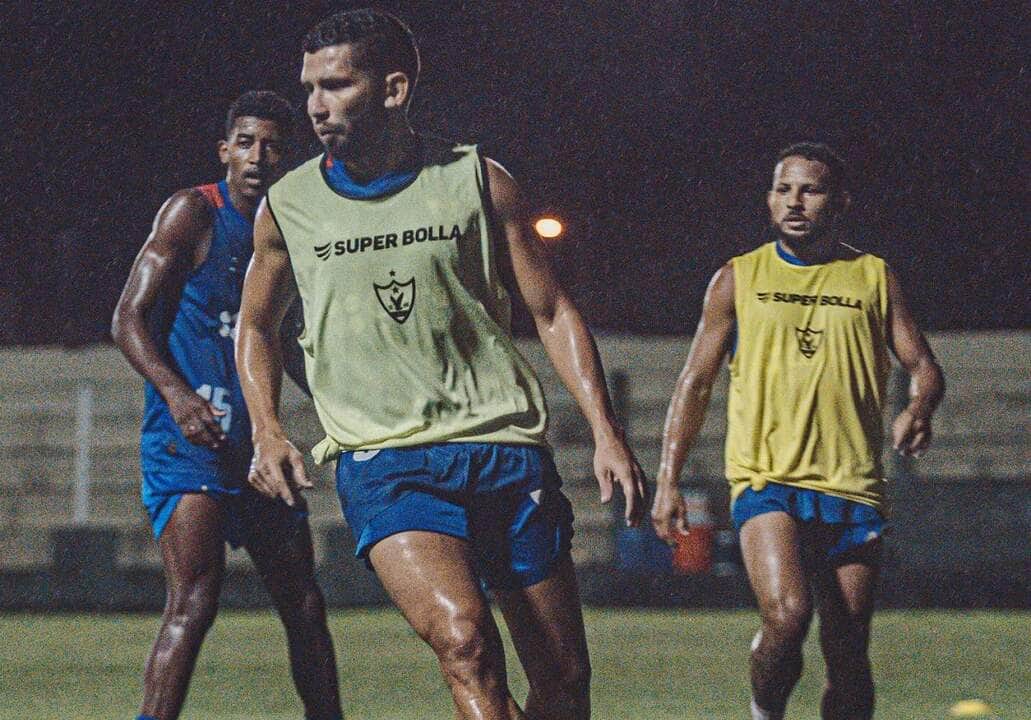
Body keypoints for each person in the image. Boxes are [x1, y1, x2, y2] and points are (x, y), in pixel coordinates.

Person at [235, 10, 647, 719]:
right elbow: (254, 325)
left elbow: (550, 311)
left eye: (336, 84)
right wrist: (266, 428)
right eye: (310, 87)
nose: (315, 104)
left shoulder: (477, 181)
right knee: (464, 643)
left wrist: (606, 433)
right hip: (386, 461)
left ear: (392, 89)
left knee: (563, 679)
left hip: (502, 450)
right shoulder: (288, 206)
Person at [651, 142, 945, 720]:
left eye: (810, 190)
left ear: (839, 202)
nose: (795, 202)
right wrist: (668, 479)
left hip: (852, 486)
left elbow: (924, 366)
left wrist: (920, 406)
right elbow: (696, 382)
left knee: (848, 655)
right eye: (783, 189)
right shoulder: (739, 277)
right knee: (787, 616)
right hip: (768, 478)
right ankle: (765, 712)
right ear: (768, 200)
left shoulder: (873, 277)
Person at [111, 91, 343, 720]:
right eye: (245, 142)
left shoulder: (295, 225)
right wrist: (178, 395)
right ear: (225, 150)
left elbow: (289, 339)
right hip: (189, 443)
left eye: (271, 145)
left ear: (288, 156)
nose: (258, 156)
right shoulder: (194, 212)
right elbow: (127, 318)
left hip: (257, 446)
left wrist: (337, 402)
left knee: (304, 603)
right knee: (194, 601)